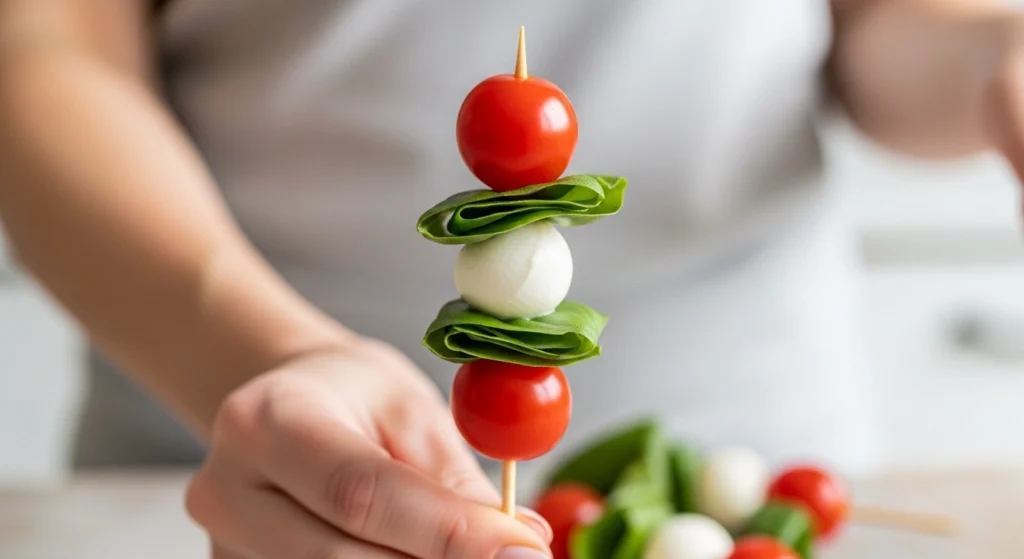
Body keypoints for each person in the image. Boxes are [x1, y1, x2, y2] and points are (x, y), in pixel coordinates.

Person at [1, 0, 1022, 557]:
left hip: (743, 444)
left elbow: (890, 20)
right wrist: (260, 354)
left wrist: (1001, 55)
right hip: (243, 462)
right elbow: (49, 43)